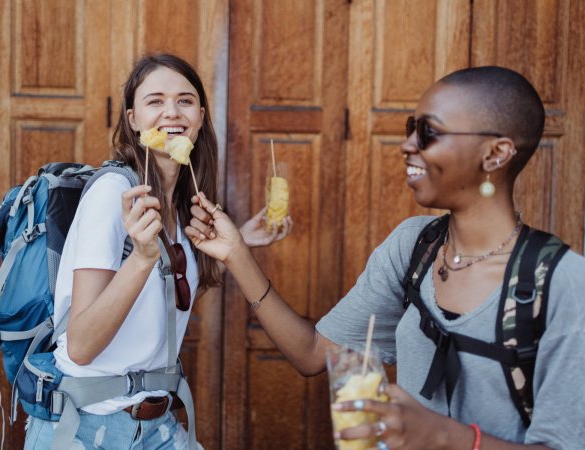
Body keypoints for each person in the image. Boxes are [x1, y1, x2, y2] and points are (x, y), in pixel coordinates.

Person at [185, 66, 585, 449]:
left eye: (429, 132)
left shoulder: (562, 282)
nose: (407, 145)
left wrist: (444, 437)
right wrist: (236, 254)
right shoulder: (414, 247)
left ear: (496, 154)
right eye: (412, 128)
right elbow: (312, 354)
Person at [23, 53, 291, 450]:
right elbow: (81, 346)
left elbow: (160, 303)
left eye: (185, 101)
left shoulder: (183, 208)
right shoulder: (113, 194)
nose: (173, 112)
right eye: (155, 101)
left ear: (200, 116)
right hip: (86, 426)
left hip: (156, 424)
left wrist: (240, 242)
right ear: (132, 120)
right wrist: (142, 258)